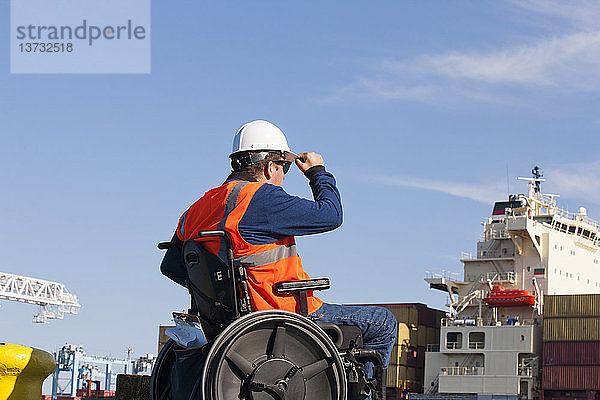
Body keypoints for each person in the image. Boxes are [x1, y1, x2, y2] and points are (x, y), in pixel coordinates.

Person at [160, 119, 397, 378]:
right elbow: (331, 214)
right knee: (383, 322)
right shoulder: (263, 198)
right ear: (272, 167)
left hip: (222, 320)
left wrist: (223, 297)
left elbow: (170, 266)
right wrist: (318, 172)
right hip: (284, 311)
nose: (284, 177)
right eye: (285, 168)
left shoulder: (195, 209)